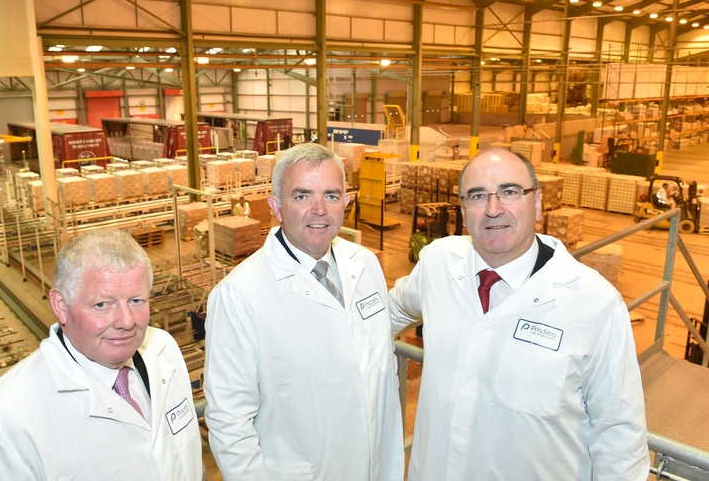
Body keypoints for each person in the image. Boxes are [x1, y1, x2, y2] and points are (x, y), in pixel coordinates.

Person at [390, 149, 648, 480]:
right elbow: (389, 311)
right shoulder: (438, 263)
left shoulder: (595, 303)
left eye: (510, 192)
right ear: (464, 210)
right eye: (477, 196)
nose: (493, 209)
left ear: (537, 202)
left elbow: (620, 435)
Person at [204, 143, 404, 480]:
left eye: (331, 195)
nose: (319, 210)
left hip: (376, 466)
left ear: (346, 202)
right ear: (276, 207)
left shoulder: (364, 263)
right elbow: (229, 421)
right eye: (302, 196)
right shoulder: (239, 295)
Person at [0, 229, 203, 481]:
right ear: (61, 305)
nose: (126, 321)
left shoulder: (164, 349)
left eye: (136, 301)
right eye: (102, 304)